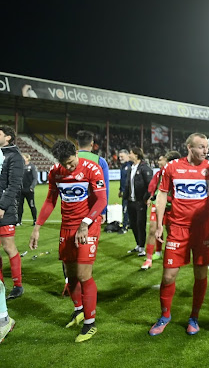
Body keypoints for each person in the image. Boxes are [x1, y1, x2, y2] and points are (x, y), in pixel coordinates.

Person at [30, 139, 108, 343]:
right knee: (70, 272)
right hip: (67, 226)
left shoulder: (92, 168)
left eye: (71, 162)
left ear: (76, 153)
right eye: (65, 164)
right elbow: (50, 200)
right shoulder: (56, 171)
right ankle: (79, 310)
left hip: (88, 225)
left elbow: (102, 199)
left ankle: (90, 323)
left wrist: (86, 222)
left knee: (83, 274)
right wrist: (37, 227)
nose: (69, 167)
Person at [148, 133, 209, 336]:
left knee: (200, 274)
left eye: (206, 147)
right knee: (168, 275)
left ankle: (194, 317)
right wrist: (159, 224)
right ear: (189, 147)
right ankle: (165, 316)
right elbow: (162, 195)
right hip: (178, 229)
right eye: (201, 147)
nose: (205, 151)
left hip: (203, 230)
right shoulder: (172, 167)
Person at [141, 150, 180, 270]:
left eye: (163, 160)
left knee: (170, 232)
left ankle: (170, 255)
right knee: (153, 229)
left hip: (172, 206)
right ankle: (149, 259)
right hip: (158, 205)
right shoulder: (160, 174)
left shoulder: (179, 175)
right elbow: (153, 187)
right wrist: (151, 197)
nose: (160, 162)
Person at [0, 126, 24, 300]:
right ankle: (0, 284)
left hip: (5, 208)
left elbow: (14, 185)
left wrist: (2, 206)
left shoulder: (14, 156)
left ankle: (18, 285)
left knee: (8, 247)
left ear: (8, 137)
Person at [122, 147, 153, 256]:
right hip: (131, 201)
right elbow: (128, 184)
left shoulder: (144, 168)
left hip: (140, 201)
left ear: (136, 155)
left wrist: (146, 198)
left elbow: (150, 184)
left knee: (141, 224)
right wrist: (125, 196)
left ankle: (142, 247)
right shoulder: (131, 167)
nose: (129, 155)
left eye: (130, 153)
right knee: (133, 224)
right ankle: (138, 245)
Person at [17, 154, 38, 226]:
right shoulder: (20, 166)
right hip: (20, 190)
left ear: (27, 158)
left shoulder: (32, 167)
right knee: (19, 206)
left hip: (29, 190)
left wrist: (32, 187)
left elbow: (35, 178)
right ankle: (19, 221)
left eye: (23, 157)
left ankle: (35, 220)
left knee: (32, 205)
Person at [117, 149, 132, 232]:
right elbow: (122, 179)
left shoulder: (131, 165)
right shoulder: (123, 166)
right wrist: (120, 190)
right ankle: (129, 224)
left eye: (122, 156)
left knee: (125, 209)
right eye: (119, 157)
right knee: (126, 208)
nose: (120, 158)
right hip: (124, 192)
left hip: (129, 192)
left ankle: (125, 227)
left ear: (127, 156)